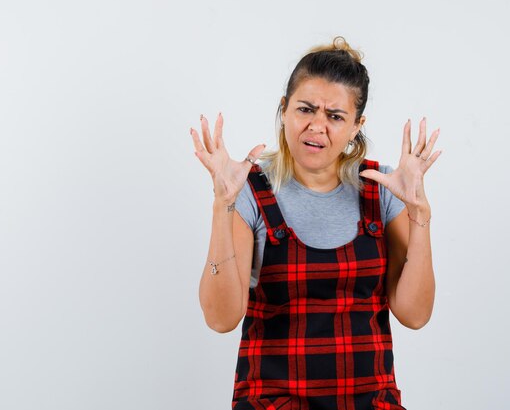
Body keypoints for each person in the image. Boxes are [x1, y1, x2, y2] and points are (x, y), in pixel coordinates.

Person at [189, 36, 441, 410]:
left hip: (369, 402)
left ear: (357, 125)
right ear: (285, 109)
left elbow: (415, 315)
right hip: (273, 402)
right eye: (306, 109)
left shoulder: (383, 190)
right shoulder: (248, 191)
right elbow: (220, 318)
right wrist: (222, 206)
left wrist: (420, 217)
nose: (316, 126)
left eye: (335, 116)